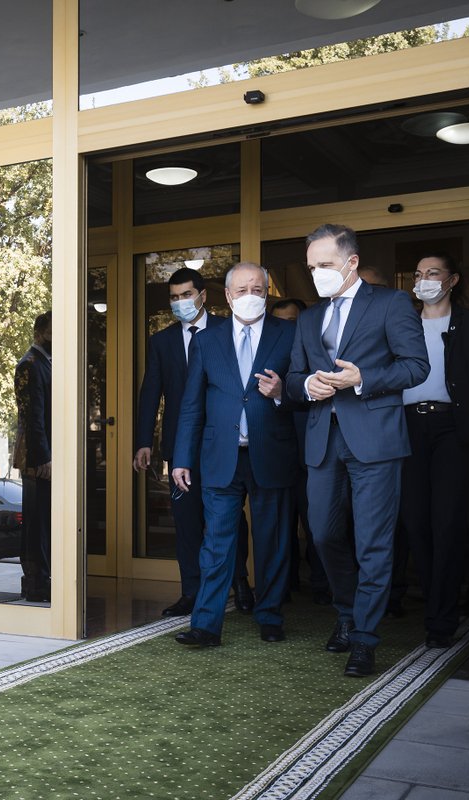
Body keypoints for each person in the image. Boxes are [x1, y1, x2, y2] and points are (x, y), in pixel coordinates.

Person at [285, 224, 429, 678]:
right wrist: (308, 384)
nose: (316, 275)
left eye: (324, 265)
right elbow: (293, 378)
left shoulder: (391, 303)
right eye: (312, 267)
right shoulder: (309, 318)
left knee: (373, 542)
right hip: (322, 439)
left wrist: (361, 378)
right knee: (324, 536)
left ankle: (364, 638)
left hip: (376, 440)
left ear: (350, 262)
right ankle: (347, 613)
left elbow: (416, 366)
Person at [172, 262, 298, 646]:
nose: (250, 296)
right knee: (217, 544)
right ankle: (206, 625)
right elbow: (192, 404)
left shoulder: (290, 334)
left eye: (257, 289)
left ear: (267, 293)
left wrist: (282, 394)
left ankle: (270, 615)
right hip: (220, 457)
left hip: (271, 453)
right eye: (241, 290)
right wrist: (181, 458)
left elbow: (306, 395)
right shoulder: (207, 341)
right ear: (227, 296)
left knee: (272, 541)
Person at [398, 254, 469, 648]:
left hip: (451, 430)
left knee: (447, 524)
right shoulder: (402, 322)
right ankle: (434, 607)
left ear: (452, 279)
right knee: (416, 522)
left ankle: (442, 620)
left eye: (432, 273)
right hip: (407, 428)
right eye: (418, 273)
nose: (423, 280)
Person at [134, 268, 219, 616]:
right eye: (174, 297)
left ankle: (239, 585)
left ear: (202, 296)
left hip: (221, 443)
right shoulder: (162, 341)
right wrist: (143, 442)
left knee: (225, 519)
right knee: (185, 523)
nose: (180, 302)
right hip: (179, 445)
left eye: (186, 295)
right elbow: (150, 392)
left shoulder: (226, 331)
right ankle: (191, 592)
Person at [272, 298, 331, 605]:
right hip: (278, 452)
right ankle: (286, 585)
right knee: (281, 522)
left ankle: (323, 586)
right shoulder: (267, 351)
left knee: (317, 521)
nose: (287, 328)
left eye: (292, 321)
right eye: (280, 321)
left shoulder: (315, 347)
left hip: (313, 450)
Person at [15, 312, 52, 603]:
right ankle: (36, 583)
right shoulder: (29, 365)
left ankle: (42, 580)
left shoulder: (46, 363)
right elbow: (32, 417)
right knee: (36, 522)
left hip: (47, 455)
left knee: (45, 521)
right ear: (40, 333)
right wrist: (43, 459)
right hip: (37, 460)